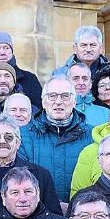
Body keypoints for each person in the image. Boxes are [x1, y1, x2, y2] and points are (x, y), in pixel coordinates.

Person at [21, 75, 94, 203]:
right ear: (43, 102)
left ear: (74, 101)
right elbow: (21, 180)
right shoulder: (24, 135)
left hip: (83, 214)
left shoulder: (91, 135)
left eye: (65, 96)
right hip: (38, 215)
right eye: (52, 96)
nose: (58, 101)